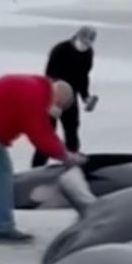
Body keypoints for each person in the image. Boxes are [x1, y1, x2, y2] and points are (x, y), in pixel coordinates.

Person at [0, 74, 87, 243]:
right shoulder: (34, 96)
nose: (54, 111)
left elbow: (40, 130)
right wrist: (65, 156)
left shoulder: (37, 87)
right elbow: (40, 135)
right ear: (58, 99)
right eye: (58, 107)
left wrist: (62, 153)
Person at [31, 25, 98, 168]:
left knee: (72, 132)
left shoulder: (88, 54)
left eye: (89, 43)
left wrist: (85, 97)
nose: (85, 45)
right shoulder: (60, 50)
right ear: (77, 36)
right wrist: (54, 102)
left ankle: (72, 164)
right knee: (47, 135)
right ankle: (36, 168)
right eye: (84, 41)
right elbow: (49, 76)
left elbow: (83, 77)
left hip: (71, 98)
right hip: (52, 95)